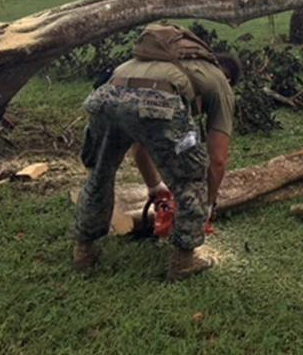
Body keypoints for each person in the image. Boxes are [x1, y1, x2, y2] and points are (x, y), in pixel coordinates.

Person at [73, 23, 239, 281]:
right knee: (190, 177)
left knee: (100, 174)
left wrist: (155, 188)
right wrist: (208, 203)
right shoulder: (219, 83)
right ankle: (184, 260)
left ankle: (84, 250)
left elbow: (142, 143)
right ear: (228, 78)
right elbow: (217, 160)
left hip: (106, 95)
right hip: (157, 103)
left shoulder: (151, 64)